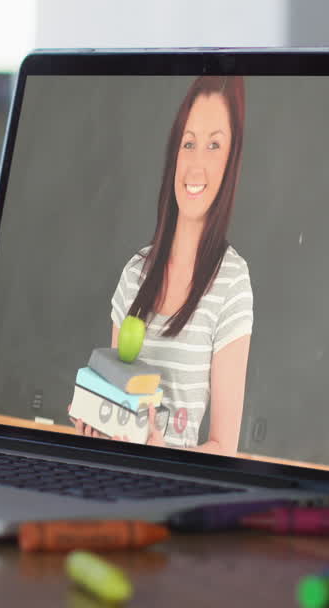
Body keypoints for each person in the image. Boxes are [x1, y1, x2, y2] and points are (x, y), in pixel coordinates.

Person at [73, 76, 253, 455]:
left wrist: (162, 454)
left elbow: (224, 446)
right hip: (112, 472)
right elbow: (113, 386)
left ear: (230, 163)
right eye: (189, 143)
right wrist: (95, 422)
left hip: (176, 485)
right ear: (175, 153)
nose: (196, 164)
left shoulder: (232, 281)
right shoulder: (135, 272)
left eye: (214, 145)